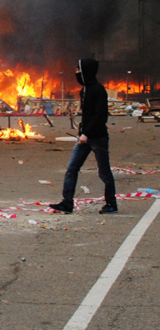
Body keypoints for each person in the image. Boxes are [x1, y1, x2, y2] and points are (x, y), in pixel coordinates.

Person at [50, 59, 118, 214]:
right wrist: (82, 131)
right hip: (84, 138)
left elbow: (101, 116)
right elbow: (87, 116)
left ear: (86, 71)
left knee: (104, 172)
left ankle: (111, 203)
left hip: (98, 138)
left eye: (78, 70)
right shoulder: (84, 91)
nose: (76, 73)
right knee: (72, 168)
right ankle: (67, 202)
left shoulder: (98, 90)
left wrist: (87, 133)